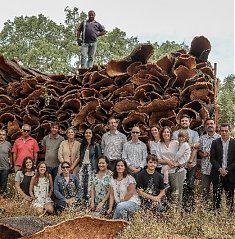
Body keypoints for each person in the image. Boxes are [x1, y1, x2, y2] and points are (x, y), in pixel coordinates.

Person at [156, 127, 189, 206]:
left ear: (171, 134)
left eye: (168, 132)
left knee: (177, 193)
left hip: (177, 171)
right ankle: (167, 211)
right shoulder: (159, 144)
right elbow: (158, 160)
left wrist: (181, 163)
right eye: (164, 132)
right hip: (165, 172)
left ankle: (177, 212)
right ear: (161, 134)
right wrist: (167, 161)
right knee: (166, 193)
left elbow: (184, 153)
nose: (166, 134)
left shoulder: (176, 143)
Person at [172, 114, 199, 210]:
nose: (184, 122)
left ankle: (190, 207)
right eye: (182, 121)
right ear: (180, 122)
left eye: (186, 121)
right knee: (179, 185)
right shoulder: (175, 133)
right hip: (180, 164)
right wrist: (190, 145)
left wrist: (190, 161)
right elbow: (177, 147)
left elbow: (196, 147)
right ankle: (180, 206)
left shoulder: (195, 133)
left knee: (190, 185)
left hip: (192, 164)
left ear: (189, 122)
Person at [210, 123, 235, 214]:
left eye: (226, 131)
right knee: (217, 196)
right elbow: (212, 158)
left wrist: (227, 170)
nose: (224, 133)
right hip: (217, 173)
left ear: (229, 131)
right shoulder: (215, 142)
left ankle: (230, 213)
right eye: (222, 131)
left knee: (230, 195)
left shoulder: (234, 142)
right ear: (219, 131)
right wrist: (220, 169)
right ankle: (216, 213)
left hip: (230, 174)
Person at [72, 128, 101, 206]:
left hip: (91, 167)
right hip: (82, 167)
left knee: (89, 185)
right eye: (86, 133)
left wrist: (98, 169)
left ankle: (89, 204)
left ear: (92, 135)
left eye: (89, 133)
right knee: (81, 185)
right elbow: (80, 156)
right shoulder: (83, 145)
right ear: (84, 134)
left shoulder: (96, 145)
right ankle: (81, 203)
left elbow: (99, 158)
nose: (88, 134)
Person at [198, 118, 220, 204]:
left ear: (215, 125)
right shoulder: (202, 138)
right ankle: (205, 207)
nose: (210, 125)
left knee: (216, 189)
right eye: (208, 124)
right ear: (205, 126)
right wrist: (202, 154)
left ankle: (216, 207)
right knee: (205, 189)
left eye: (211, 123)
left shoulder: (219, 138)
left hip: (216, 168)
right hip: (205, 168)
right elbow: (198, 151)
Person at [0, 129, 12, 197]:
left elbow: (10, 155)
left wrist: (11, 164)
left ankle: (3, 197)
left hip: (5, 167)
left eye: (3, 135)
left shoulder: (8, 144)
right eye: (0, 134)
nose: (1, 136)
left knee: (4, 183)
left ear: (5, 136)